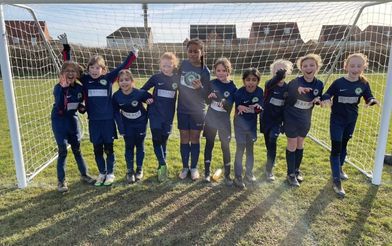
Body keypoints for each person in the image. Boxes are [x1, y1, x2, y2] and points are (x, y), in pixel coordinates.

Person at [59, 33, 138, 186]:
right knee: (97, 149)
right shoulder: (86, 79)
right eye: (92, 68)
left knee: (109, 149)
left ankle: (110, 173)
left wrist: (133, 53)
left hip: (107, 121)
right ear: (88, 69)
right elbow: (70, 67)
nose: (95, 70)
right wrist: (66, 48)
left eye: (98, 68)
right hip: (94, 121)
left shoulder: (108, 79)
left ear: (103, 69)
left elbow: (123, 67)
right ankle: (101, 172)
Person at [321, 53, 379, 196]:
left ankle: (339, 168)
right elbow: (327, 94)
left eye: (359, 66)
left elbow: (368, 96)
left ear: (364, 67)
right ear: (346, 66)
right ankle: (336, 182)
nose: (355, 68)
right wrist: (326, 99)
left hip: (351, 120)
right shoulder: (338, 82)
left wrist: (371, 101)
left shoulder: (364, 83)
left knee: (344, 145)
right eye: (352, 65)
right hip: (337, 121)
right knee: (336, 148)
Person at [51, 61, 95, 192]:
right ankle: (61, 181)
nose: (70, 73)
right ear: (62, 74)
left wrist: (82, 108)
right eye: (67, 71)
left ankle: (84, 175)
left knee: (77, 149)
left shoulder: (79, 88)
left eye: (73, 71)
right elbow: (60, 106)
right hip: (59, 121)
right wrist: (64, 89)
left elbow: (79, 106)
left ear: (77, 74)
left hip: (72, 121)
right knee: (63, 150)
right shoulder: (58, 88)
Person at [284, 54, 324, 187]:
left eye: (312, 65)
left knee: (300, 143)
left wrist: (318, 100)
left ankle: (296, 170)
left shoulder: (319, 83)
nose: (308, 68)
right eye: (305, 65)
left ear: (317, 67)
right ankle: (290, 174)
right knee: (292, 143)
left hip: (305, 117)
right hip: (291, 117)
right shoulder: (296, 82)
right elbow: (288, 93)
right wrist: (297, 89)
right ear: (301, 68)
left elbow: (318, 97)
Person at [141, 52, 179, 182]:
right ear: (160, 65)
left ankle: (161, 165)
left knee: (164, 141)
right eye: (163, 65)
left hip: (168, 116)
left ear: (174, 66)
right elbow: (142, 90)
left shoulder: (177, 79)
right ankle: (163, 165)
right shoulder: (156, 78)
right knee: (156, 139)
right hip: (155, 114)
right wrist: (147, 98)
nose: (166, 68)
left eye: (168, 65)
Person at [177, 39, 211, 181]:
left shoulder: (205, 70)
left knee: (195, 138)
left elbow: (208, 97)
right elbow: (175, 80)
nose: (192, 54)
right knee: (184, 137)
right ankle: (185, 167)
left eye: (196, 51)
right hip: (183, 108)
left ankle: (194, 167)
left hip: (198, 110)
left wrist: (200, 88)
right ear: (187, 51)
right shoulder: (182, 65)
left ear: (201, 52)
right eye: (190, 51)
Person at [113, 69, 153, 184]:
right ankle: (130, 171)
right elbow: (116, 112)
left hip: (140, 124)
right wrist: (120, 127)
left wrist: (149, 99)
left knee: (140, 145)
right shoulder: (116, 96)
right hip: (127, 125)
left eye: (127, 80)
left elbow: (148, 96)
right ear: (118, 82)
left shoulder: (138, 93)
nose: (124, 82)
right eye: (121, 80)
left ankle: (139, 169)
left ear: (132, 81)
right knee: (129, 146)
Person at [203, 58, 237, 185]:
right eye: (218, 70)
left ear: (228, 71)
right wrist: (209, 97)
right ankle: (206, 173)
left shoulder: (233, 87)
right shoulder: (212, 83)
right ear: (215, 71)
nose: (221, 73)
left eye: (223, 70)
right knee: (209, 144)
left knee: (225, 146)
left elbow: (229, 107)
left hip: (223, 120)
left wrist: (221, 100)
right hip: (211, 117)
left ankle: (227, 175)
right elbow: (206, 101)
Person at [260, 59, 293, 181]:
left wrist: (285, 122)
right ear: (273, 72)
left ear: (288, 72)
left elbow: (287, 106)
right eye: (277, 70)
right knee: (268, 142)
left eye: (283, 70)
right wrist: (279, 75)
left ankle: (269, 170)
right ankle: (271, 158)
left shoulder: (288, 88)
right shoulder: (269, 84)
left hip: (277, 120)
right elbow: (273, 82)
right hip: (266, 118)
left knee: (273, 139)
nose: (280, 72)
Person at [233, 68, 264, 189]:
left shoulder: (260, 91)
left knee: (250, 150)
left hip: (251, 126)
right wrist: (239, 106)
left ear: (258, 81)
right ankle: (238, 176)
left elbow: (260, 107)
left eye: (254, 80)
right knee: (240, 150)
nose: (251, 82)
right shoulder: (239, 93)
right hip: (240, 126)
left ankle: (249, 173)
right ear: (244, 81)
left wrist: (258, 107)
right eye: (248, 80)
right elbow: (237, 107)